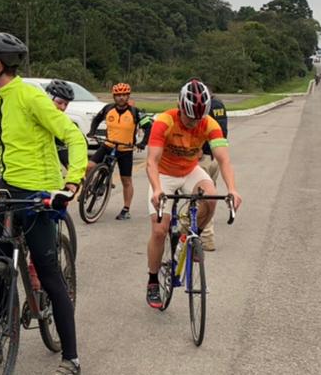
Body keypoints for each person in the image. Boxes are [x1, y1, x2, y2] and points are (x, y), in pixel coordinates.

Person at [0, 33, 87, 375]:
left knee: (49, 274)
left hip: (39, 196)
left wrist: (72, 183)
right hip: (9, 193)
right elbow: (5, 148)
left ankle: (71, 359)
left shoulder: (31, 96)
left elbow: (73, 137)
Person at [144, 79, 243, 310]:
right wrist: (157, 189)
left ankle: (189, 236)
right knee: (159, 230)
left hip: (190, 170)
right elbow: (151, 161)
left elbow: (224, 160)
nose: (194, 123)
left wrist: (232, 189)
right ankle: (152, 280)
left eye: (199, 118)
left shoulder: (209, 123)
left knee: (211, 196)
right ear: (180, 106)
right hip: (164, 173)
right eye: (190, 118)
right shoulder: (164, 121)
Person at [87, 82, 139, 220]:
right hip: (108, 145)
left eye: (124, 95)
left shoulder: (135, 112)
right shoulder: (108, 108)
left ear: (128, 96)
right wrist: (92, 131)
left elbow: (148, 126)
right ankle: (90, 186)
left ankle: (126, 209)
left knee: (126, 180)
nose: (121, 97)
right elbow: (97, 119)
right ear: (114, 96)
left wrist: (143, 143)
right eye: (118, 95)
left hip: (125, 149)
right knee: (89, 166)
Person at [196, 92, 229, 251]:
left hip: (203, 158)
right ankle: (203, 235)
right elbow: (223, 131)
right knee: (209, 195)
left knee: (202, 198)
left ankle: (205, 237)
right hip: (214, 156)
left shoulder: (204, 107)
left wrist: (200, 148)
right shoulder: (218, 105)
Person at [45, 79, 76, 170]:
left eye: (66, 104)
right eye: (59, 102)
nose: (63, 107)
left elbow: (61, 148)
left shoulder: (60, 121)